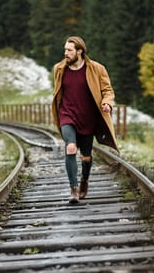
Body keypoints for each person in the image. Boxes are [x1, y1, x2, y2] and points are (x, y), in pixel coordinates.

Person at [51, 36, 118, 204]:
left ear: (79, 51)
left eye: (69, 50)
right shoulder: (59, 69)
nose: (65, 53)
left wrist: (107, 103)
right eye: (65, 50)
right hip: (67, 115)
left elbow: (108, 90)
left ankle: (84, 181)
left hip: (88, 118)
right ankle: (73, 189)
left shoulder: (97, 69)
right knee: (71, 148)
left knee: (86, 156)